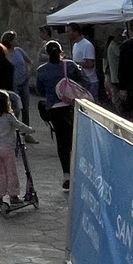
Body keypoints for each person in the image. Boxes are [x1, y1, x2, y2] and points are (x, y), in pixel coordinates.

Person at [31, 40, 84, 189]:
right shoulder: (71, 66)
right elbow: (83, 82)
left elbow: (40, 91)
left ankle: (66, 174)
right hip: (72, 106)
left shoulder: (42, 70)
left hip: (54, 108)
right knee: (76, 140)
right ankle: (79, 171)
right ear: (61, 51)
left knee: (62, 143)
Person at [0, 87, 35, 211]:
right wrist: (30, 130)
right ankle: (13, 196)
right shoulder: (9, 116)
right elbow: (19, 125)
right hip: (7, 148)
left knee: (0, 172)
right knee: (11, 172)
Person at [64, 23, 100, 100]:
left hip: (90, 82)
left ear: (76, 32)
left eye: (68, 32)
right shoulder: (75, 45)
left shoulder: (87, 45)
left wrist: (73, 63)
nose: (66, 34)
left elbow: (90, 64)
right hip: (80, 82)